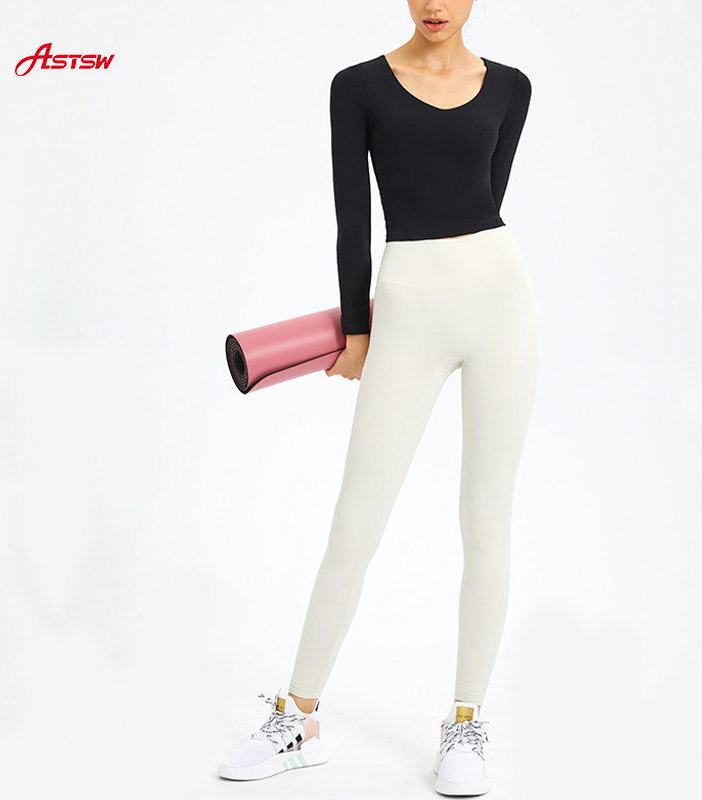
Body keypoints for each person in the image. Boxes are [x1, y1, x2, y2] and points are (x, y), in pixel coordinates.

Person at [218, 0, 538, 795]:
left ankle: (465, 723)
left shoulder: (512, 86)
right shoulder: (357, 85)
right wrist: (358, 331)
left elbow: (484, 199)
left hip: (502, 305)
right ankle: (298, 718)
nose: (435, 5)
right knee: (355, 520)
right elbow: (352, 217)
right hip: (406, 310)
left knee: (487, 521)